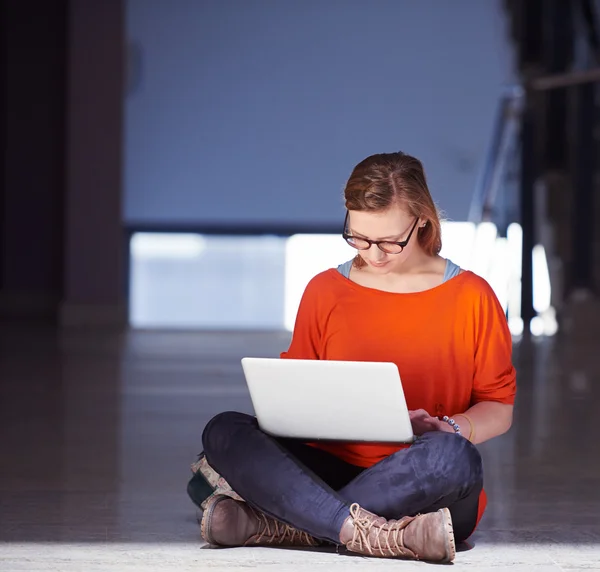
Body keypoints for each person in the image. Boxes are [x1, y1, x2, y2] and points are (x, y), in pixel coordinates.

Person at [195, 152, 517, 562]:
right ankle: (370, 533)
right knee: (224, 431)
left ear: (422, 220)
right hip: (331, 467)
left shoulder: (473, 296)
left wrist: (451, 427)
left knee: (455, 458)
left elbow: (499, 407)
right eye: (359, 238)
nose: (374, 255)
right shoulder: (324, 291)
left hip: (423, 479)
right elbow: (294, 398)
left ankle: (284, 524)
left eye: (388, 242)